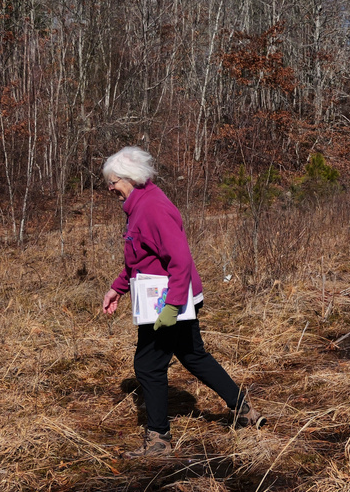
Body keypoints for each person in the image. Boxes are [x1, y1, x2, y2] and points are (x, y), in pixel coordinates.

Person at [100, 146, 264, 458]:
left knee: (147, 366)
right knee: (192, 354)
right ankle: (244, 410)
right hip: (170, 298)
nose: (110, 188)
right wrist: (117, 288)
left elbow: (180, 259)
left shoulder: (152, 208)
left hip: (169, 301)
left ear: (131, 179)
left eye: (113, 181)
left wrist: (172, 306)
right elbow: (140, 258)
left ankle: (159, 441)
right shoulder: (139, 205)